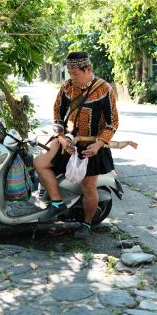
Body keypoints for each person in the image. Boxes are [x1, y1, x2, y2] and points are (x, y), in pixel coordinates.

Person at [33, 51, 119, 239]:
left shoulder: (105, 89)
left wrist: (98, 145)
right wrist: (61, 137)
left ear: (88, 69)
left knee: (88, 187)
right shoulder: (67, 87)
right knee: (39, 164)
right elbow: (57, 114)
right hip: (67, 142)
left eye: (76, 74)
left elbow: (113, 123)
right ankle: (57, 203)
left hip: (92, 147)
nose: (72, 77)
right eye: (70, 73)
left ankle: (87, 224)